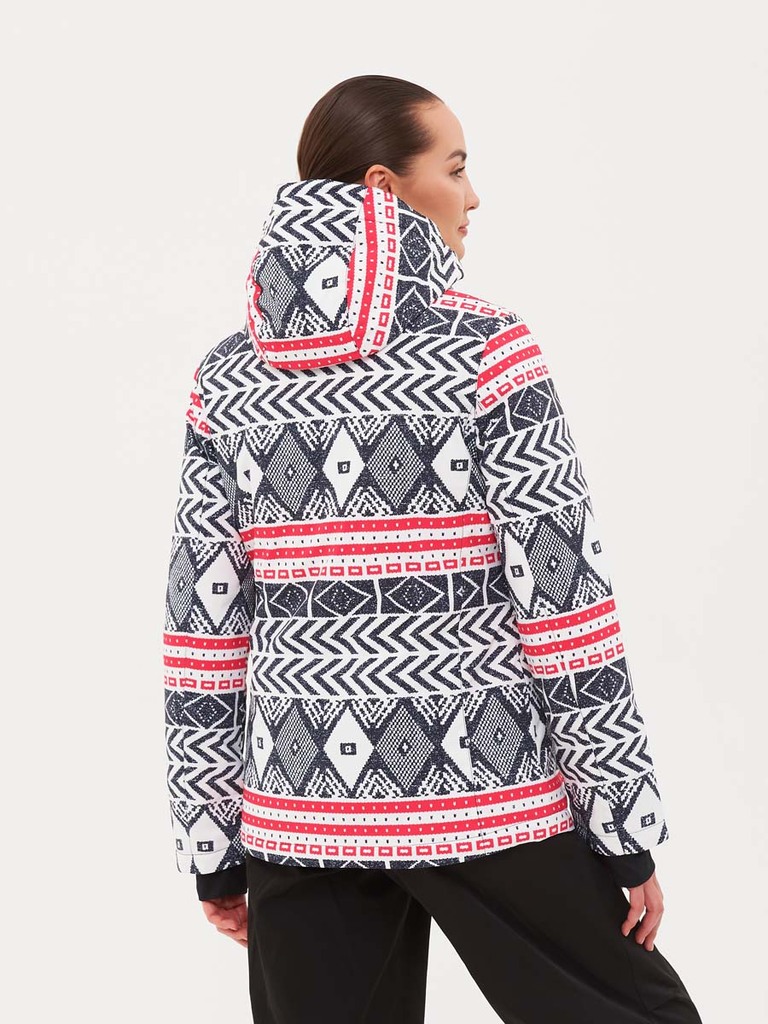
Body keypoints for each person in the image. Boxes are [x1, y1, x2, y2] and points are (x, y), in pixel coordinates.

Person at [162, 74, 702, 1023]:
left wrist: (215, 842)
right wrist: (621, 823)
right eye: (454, 169)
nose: (473, 195)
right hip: (486, 788)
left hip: (302, 804)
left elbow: (203, 623)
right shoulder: (488, 352)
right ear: (385, 186)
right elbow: (564, 602)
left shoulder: (228, 377)